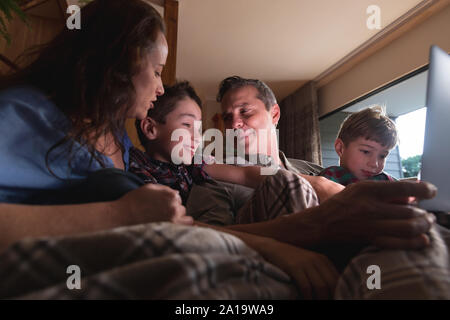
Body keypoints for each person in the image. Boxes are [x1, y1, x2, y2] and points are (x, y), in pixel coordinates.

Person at [319, 106, 397, 185]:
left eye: (382, 156)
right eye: (366, 152)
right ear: (340, 148)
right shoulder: (331, 177)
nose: (374, 164)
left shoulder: (385, 181)